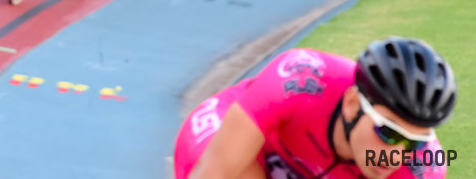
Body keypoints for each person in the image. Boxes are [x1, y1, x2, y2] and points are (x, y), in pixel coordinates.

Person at [174, 37, 457, 178]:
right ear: (352, 105)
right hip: (239, 143)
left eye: (414, 142)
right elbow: (213, 172)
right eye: (388, 133)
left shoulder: (423, 166)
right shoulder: (297, 79)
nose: (397, 155)